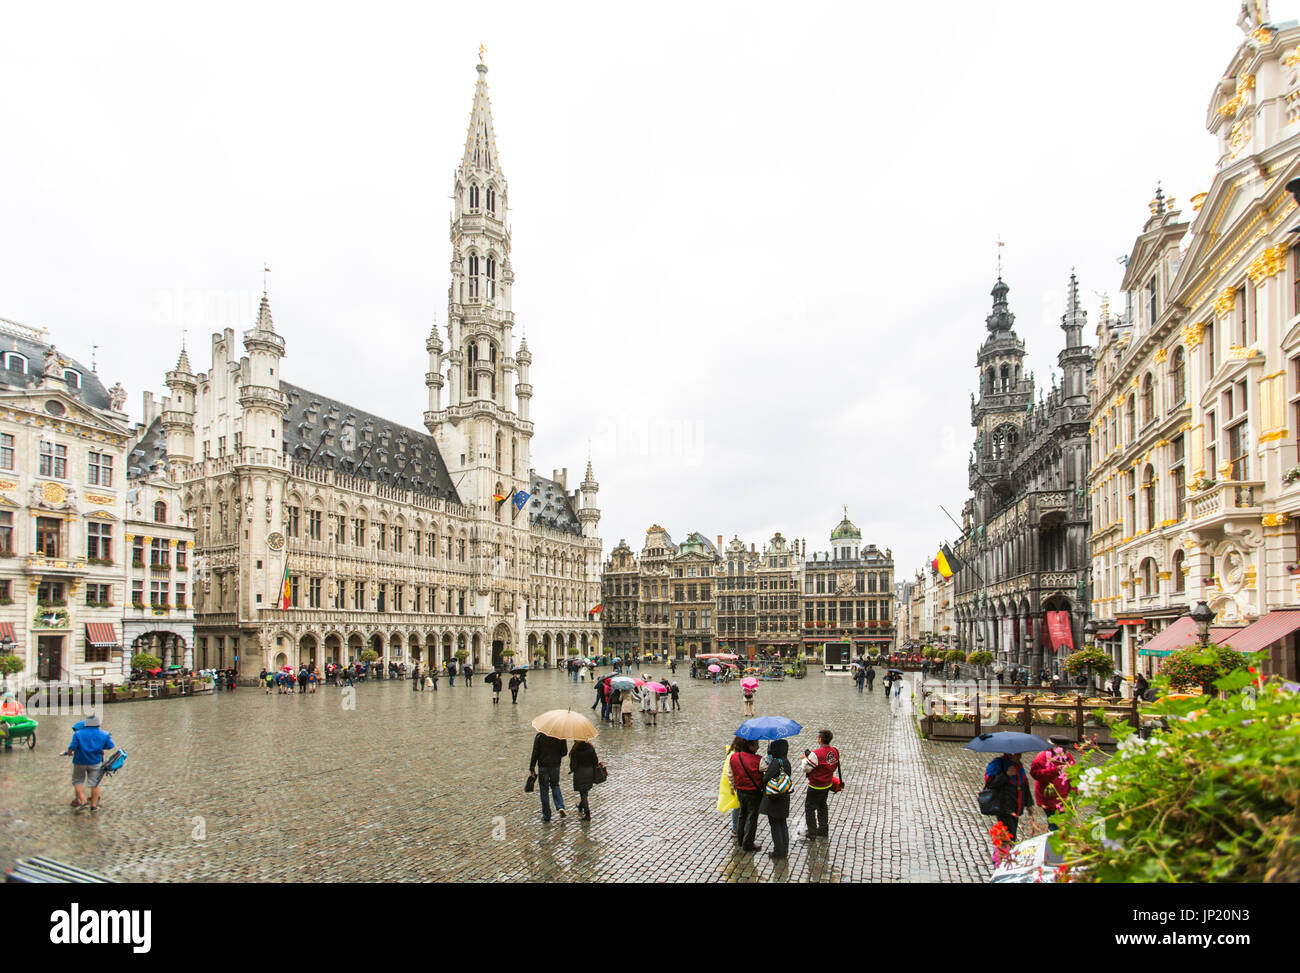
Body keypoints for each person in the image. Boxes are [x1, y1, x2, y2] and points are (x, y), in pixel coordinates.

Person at [62, 715, 117, 812]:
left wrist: (70, 753)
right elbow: (110, 745)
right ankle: (94, 806)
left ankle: (83, 802)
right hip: (95, 761)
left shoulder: (78, 734)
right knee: (95, 784)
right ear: (98, 724)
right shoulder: (104, 734)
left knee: (77, 781)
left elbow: (72, 747)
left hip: (80, 761)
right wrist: (100, 747)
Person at [983, 752, 1033, 840]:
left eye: (1020, 754)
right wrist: (1006, 775)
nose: (1020, 756)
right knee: (1008, 837)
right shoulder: (997, 764)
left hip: (1016, 806)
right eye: (1017, 754)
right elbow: (990, 783)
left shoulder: (1018, 765)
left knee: (1009, 836)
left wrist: (1029, 804)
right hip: (1004, 807)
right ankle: (1003, 853)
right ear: (1010, 753)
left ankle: (1003, 853)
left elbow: (1024, 784)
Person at [801, 729, 841, 840]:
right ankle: (823, 828)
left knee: (809, 808)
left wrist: (805, 759)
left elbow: (806, 769)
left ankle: (812, 832)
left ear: (820, 739)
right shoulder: (835, 751)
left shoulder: (816, 754)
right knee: (822, 805)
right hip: (827, 783)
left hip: (815, 785)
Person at [1029, 737, 1075, 832]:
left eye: (1065, 749)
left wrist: (1074, 795)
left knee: (1063, 826)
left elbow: (1074, 777)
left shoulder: (1068, 757)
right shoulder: (1042, 756)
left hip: (1064, 799)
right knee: (1054, 826)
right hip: (1048, 799)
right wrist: (1054, 771)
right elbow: (1035, 773)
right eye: (1060, 748)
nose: (1063, 751)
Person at [727, 738, 764, 851]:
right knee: (752, 817)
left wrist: (733, 786)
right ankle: (748, 843)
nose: (758, 747)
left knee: (742, 814)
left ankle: (740, 838)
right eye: (756, 744)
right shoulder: (758, 759)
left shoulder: (734, 757)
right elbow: (765, 769)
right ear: (750, 746)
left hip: (740, 790)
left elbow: (730, 773)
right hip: (754, 791)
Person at [759, 739, 793, 860]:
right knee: (782, 824)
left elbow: (765, 778)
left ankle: (778, 851)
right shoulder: (786, 762)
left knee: (775, 825)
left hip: (774, 797)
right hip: (784, 797)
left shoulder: (775, 763)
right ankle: (784, 849)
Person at [528, 731, 568, 822]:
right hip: (555, 765)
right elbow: (564, 752)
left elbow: (535, 752)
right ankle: (560, 806)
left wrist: (532, 767)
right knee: (555, 785)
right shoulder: (560, 735)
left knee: (544, 788)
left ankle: (546, 814)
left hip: (543, 765)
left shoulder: (540, 735)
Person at [569, 738, 600, 820]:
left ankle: (587, 813)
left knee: (583, 793)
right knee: (585, 791)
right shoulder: (590, 747)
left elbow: (573, 766)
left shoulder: (575, 750)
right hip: (589, 772)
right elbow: (595, 761)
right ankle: (580, 806)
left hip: (580, 772)